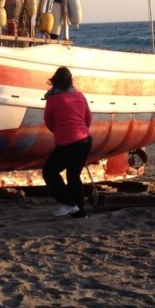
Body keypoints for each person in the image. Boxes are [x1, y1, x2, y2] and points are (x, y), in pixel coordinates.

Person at [41, 66, 93, 219]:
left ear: (54, 81)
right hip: (85, 140)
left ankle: (68, 203)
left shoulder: (53, 99)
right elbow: (87, 119)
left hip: (69, 142)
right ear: (71, 81)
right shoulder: (79, 95)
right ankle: (80, 212)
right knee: (73, 175)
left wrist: (61, 132)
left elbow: (48, 122)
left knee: (49, 171)